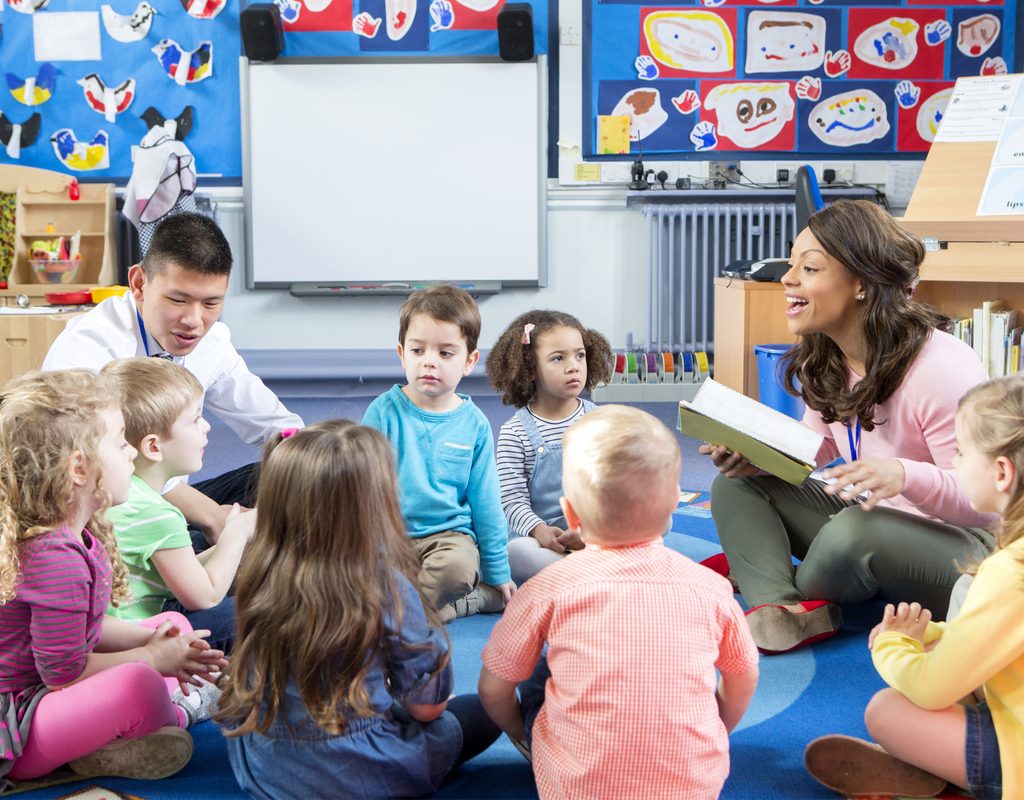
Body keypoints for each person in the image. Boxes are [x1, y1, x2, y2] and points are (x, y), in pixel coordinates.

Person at [703, 200, 995, 654]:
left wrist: (904, 475)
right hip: (872, 515)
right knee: (735, 486)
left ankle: (764, 570)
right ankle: (785, 609)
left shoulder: (941, 368)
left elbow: (985, 504)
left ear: (860, 283)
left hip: (967, 551)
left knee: (852, 532)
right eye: (792, 264)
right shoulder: (829, 356)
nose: (787, 278)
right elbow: (819, 447)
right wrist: (757, 458)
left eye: (809, 268)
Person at [479, 406, 759, 800]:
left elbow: (493, 689)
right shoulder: (711, 588)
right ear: (674, 504)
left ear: (570, 513)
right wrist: (716, 730)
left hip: (575, 787)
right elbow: (743, 676)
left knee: (539, 666)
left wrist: (525, 736)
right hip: (694, 785)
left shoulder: (546, 588)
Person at [215, 421, 502, 799]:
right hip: (363, 773)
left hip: (267, 771)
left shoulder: (260, 571)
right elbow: (426, 709)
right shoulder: (385, 584)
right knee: (486, 709)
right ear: (373, 505)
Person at [0, 370, 226, 786]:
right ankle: (181, 712)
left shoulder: (76, 532)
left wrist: (150, 639)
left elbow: (88, 629)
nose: (131, 453)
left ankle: (106, 744)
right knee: (138, 682)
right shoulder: (55, 558)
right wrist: (153, 658)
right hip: (17, 726)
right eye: (121, 443)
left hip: (42, 693)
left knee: (171, 624)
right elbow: (64, 674)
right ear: (80, 469)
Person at [805, 375, 1024, 800]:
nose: (954, 463)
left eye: (961, 453)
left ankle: (947, 776)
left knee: (887, 711)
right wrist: (935, 634)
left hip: (1014, 758)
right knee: (945, 653)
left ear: (1001, 472)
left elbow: (929, 688)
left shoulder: (1008, 571)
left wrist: (894, 643)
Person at [42, 212, 302, 545]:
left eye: (211, 303)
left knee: (292, 475)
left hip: (167, 505)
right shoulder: (89, 348)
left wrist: (319, 457)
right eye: (178, 300)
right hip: (103, 517)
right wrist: (211, 515)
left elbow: (276, 425)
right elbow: (81, 468)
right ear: (139, 284)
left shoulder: (212, 343)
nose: (194, 320)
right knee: (225, 546)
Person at [362, 285, 514, 622]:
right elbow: (361, 488)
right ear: (402, 354)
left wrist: (497, 571)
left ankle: (393, 616)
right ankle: (453, 606)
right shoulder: (382, 412)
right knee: (352, 575)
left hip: (448, 539)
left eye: (445, 353)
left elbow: (487, 503)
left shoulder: (475, 424)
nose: (429, 361)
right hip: (388, 539)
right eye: (418, 350)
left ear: (469, 361)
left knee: (457, 568)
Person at [101, 358, 257, 654]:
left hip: (123, 619)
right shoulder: (155, 513)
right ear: (153, 447)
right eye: (195, 419)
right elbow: (205, 596)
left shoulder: (128, 492)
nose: (207, 426)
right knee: (270, 610)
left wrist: (232, 546)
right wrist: (236, 534)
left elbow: (179, 572)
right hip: (139, 638)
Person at [487, 310, 612, 584]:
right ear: (530, 369)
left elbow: (613, 484)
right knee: (516, 553)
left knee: (661, 520)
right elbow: (511, 499)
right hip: (545, 538)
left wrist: (592, 528)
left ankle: (582, 567)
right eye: (558, 358)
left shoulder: (597, 419)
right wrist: (539, 530)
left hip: (593, 529)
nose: (573, 366)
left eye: (580, 355)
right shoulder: (514, 432)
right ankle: (594, 568)